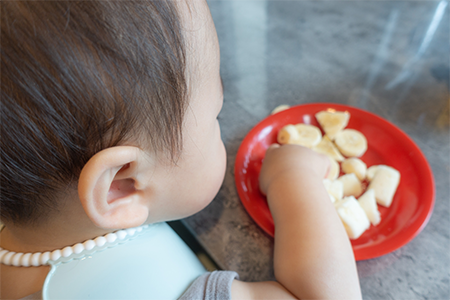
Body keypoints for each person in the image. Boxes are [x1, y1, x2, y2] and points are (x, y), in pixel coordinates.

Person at [0, 0, 362, 299]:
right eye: (215, 116)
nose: (220, 121)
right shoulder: (157, 288)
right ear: (121, 186)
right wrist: (293, 177)